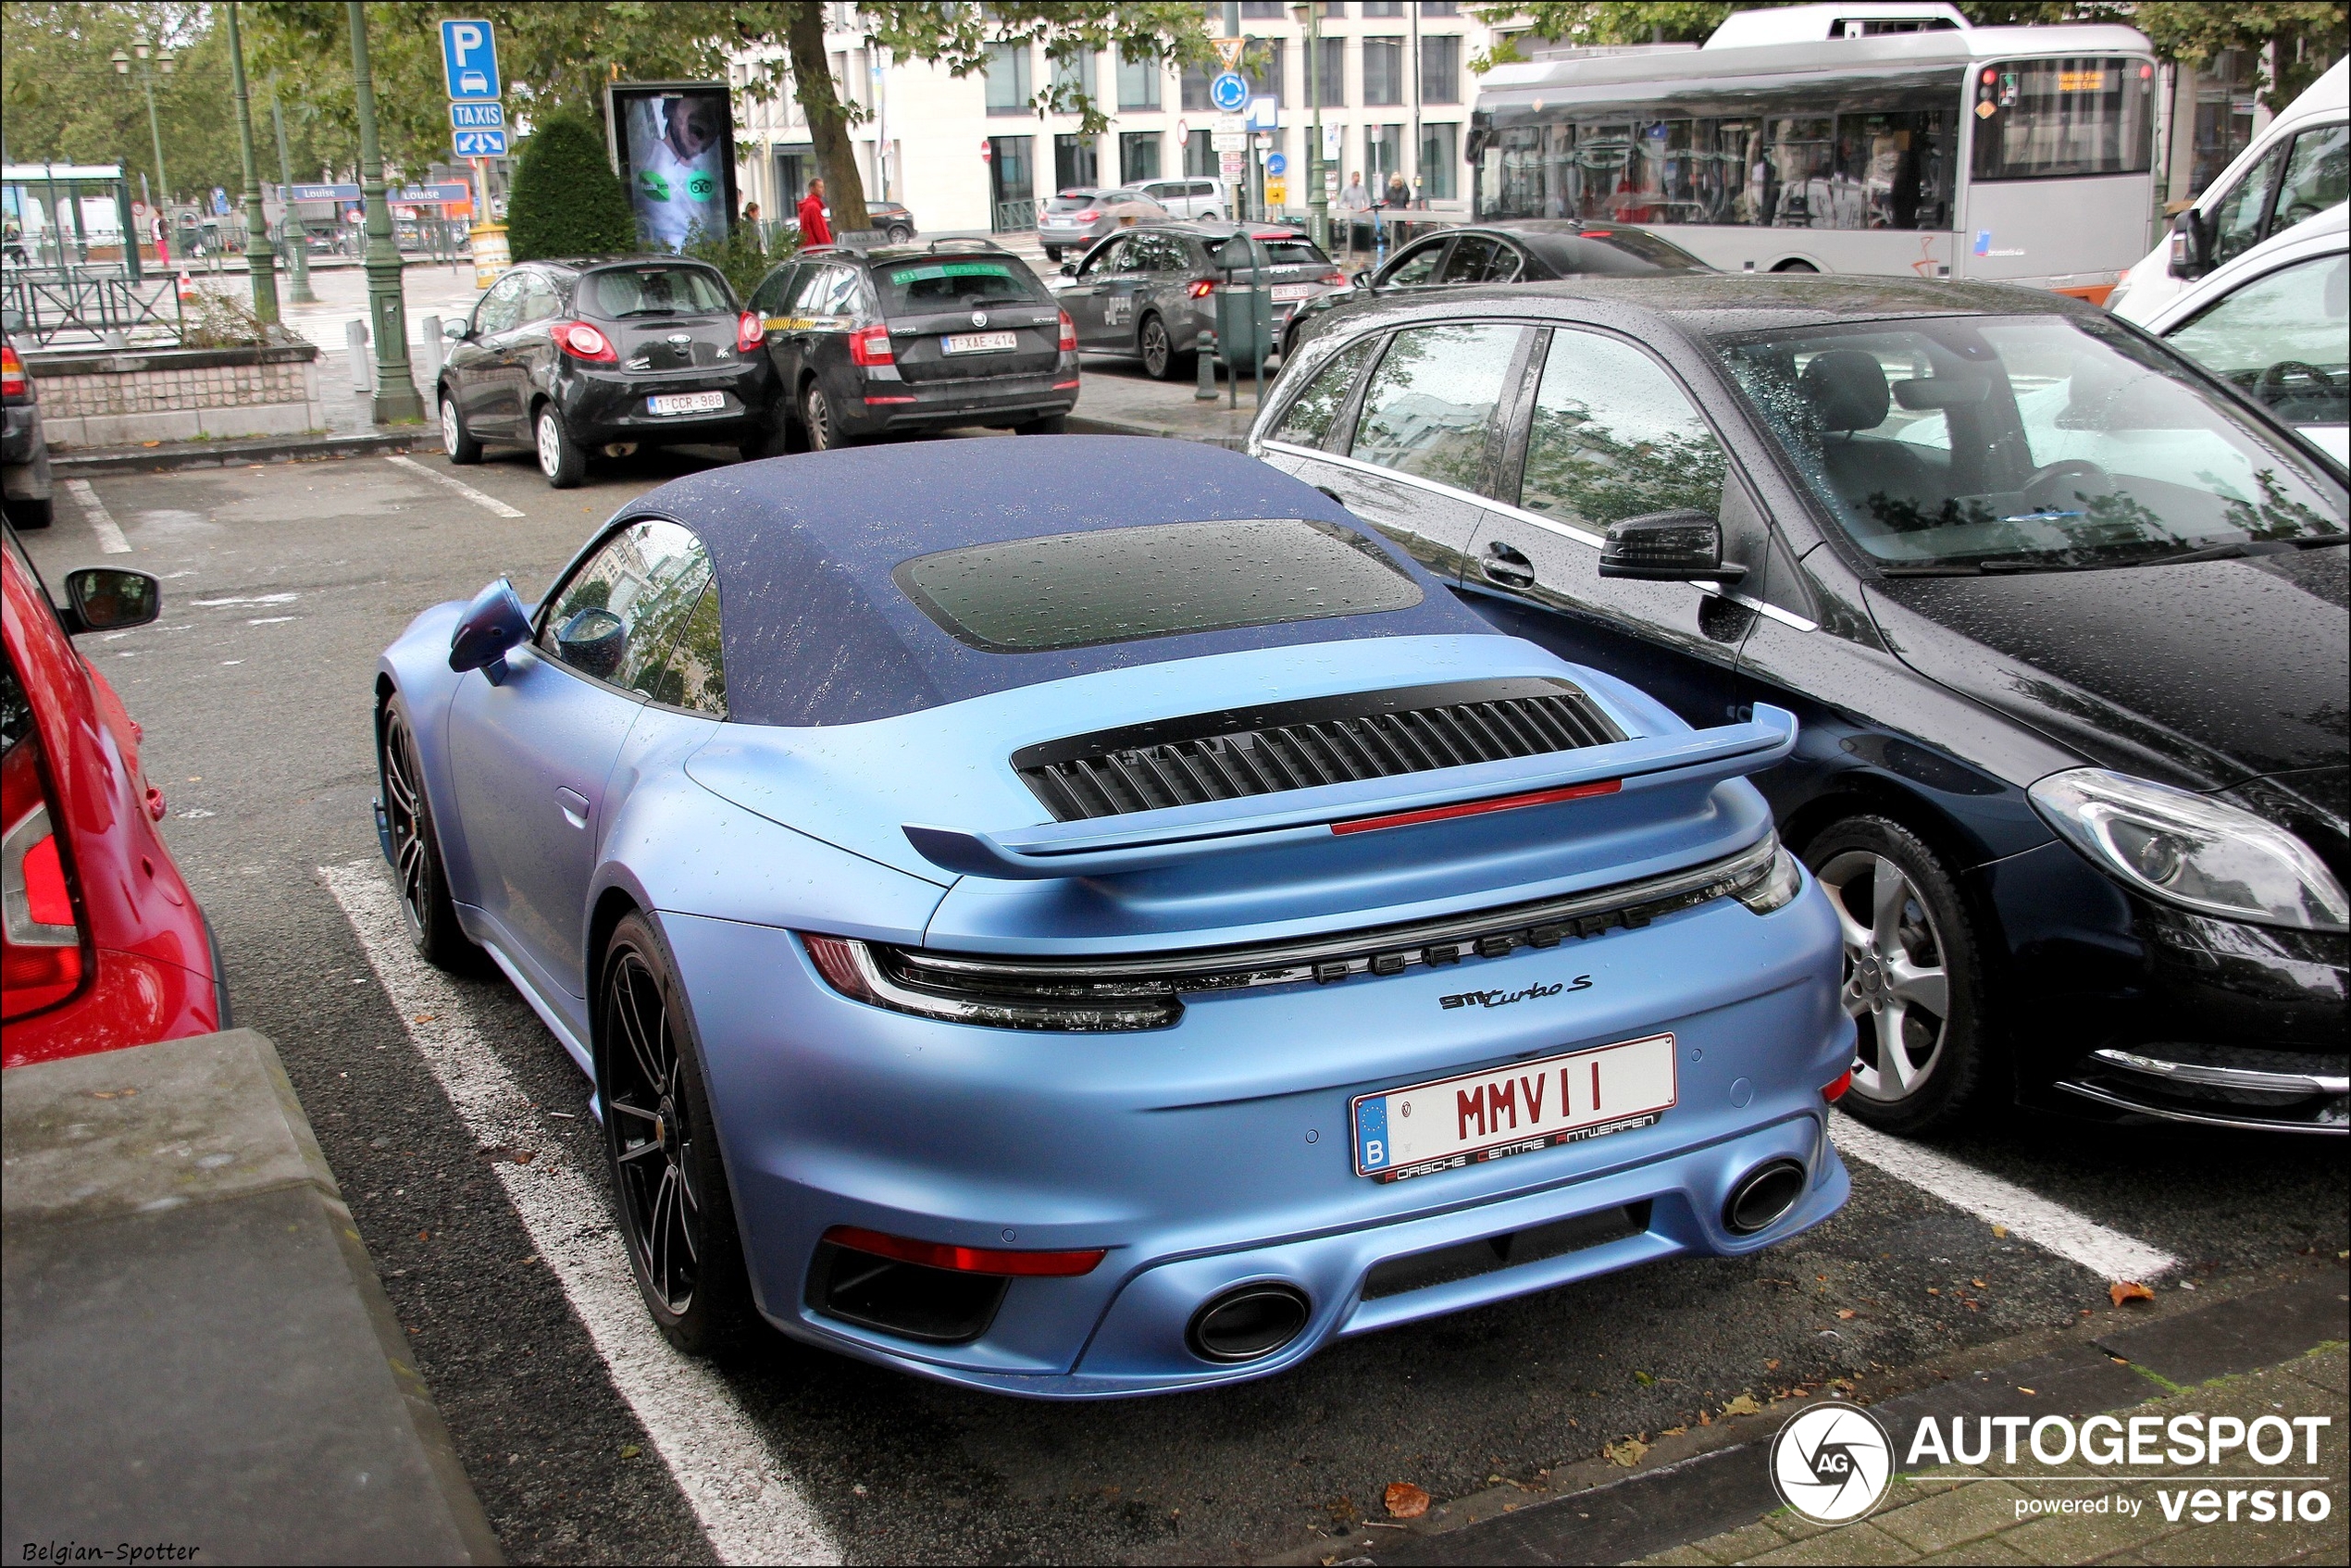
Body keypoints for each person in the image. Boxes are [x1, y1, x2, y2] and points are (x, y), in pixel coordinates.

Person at [1337, 171, 1372, 255]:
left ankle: (1362, 250)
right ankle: (1352, 250)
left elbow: (1367, 200)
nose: (1357, 182)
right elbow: (1340, 203)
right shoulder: (1346, 189)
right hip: (1351, 216)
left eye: (1358, 180)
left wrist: (1366, 207)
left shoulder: (1362, 188)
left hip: (1360, 215)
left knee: (1362, 232)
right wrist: (1347, 207)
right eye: (1355, 180)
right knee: (1352, 233)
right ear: (1352, 179)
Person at [797, 179, 831, 246]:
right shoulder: (813, 207)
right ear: (812, 189)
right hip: (816, 249)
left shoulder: (807, 205)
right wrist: (829, 247)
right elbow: (820, 231)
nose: (823, 190)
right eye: (820, 187)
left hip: (809, 247)